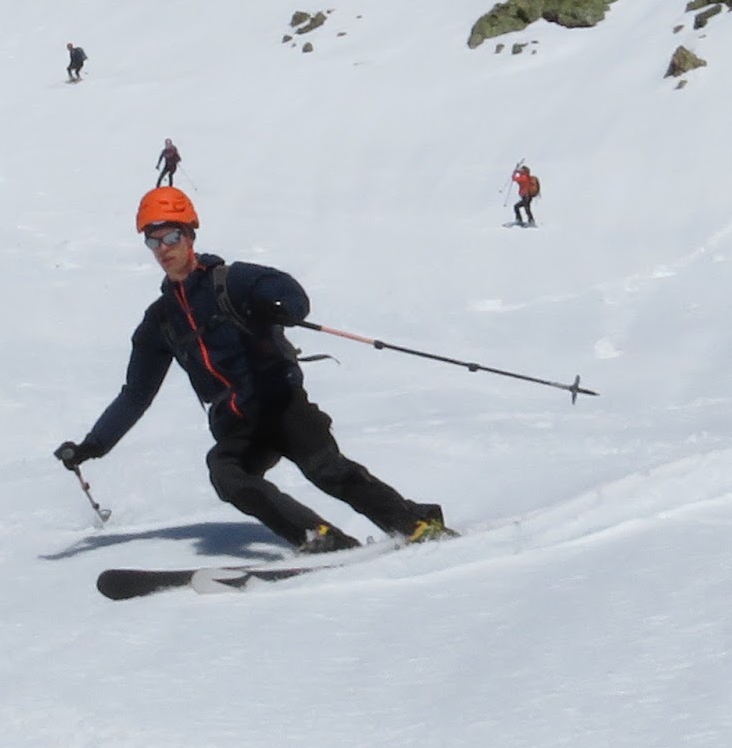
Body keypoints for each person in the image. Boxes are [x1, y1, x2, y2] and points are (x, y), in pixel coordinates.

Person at [55, 188, 452, 554]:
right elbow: (136, 395)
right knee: (226, 474)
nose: (162, 249)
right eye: (152, 240)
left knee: (324, 469)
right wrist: (93, 445)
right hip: (236, 422)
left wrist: (278, 307)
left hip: (280, 402)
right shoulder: (161, 321)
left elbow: (291, 294)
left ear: (190, 235)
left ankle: (412, 523)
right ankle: (318, 537)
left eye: (171, 236)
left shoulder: (232, 280)